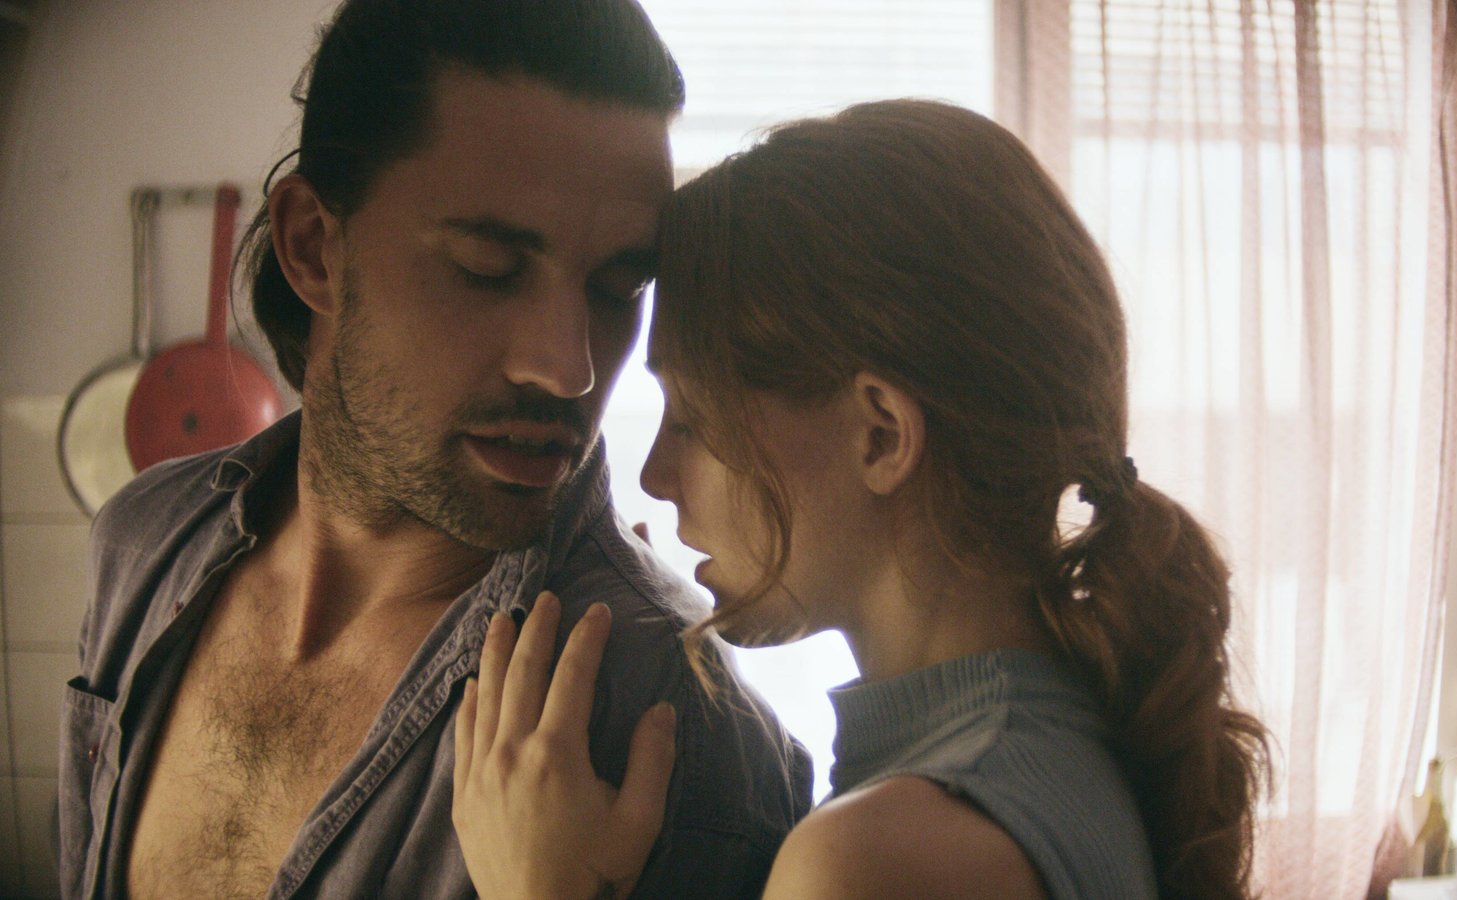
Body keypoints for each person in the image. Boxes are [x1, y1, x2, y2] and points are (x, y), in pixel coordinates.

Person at [56, 1, 812, 897]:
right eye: (489, 270)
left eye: (617, 289)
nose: (568, 368)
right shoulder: (144, 541)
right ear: (312, 247)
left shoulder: (667, 720)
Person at [453, 99, 1273, 899]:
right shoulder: (1074, 748)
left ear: (880, 435)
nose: (655, 477)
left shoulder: (873, 860)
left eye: (693, 420)